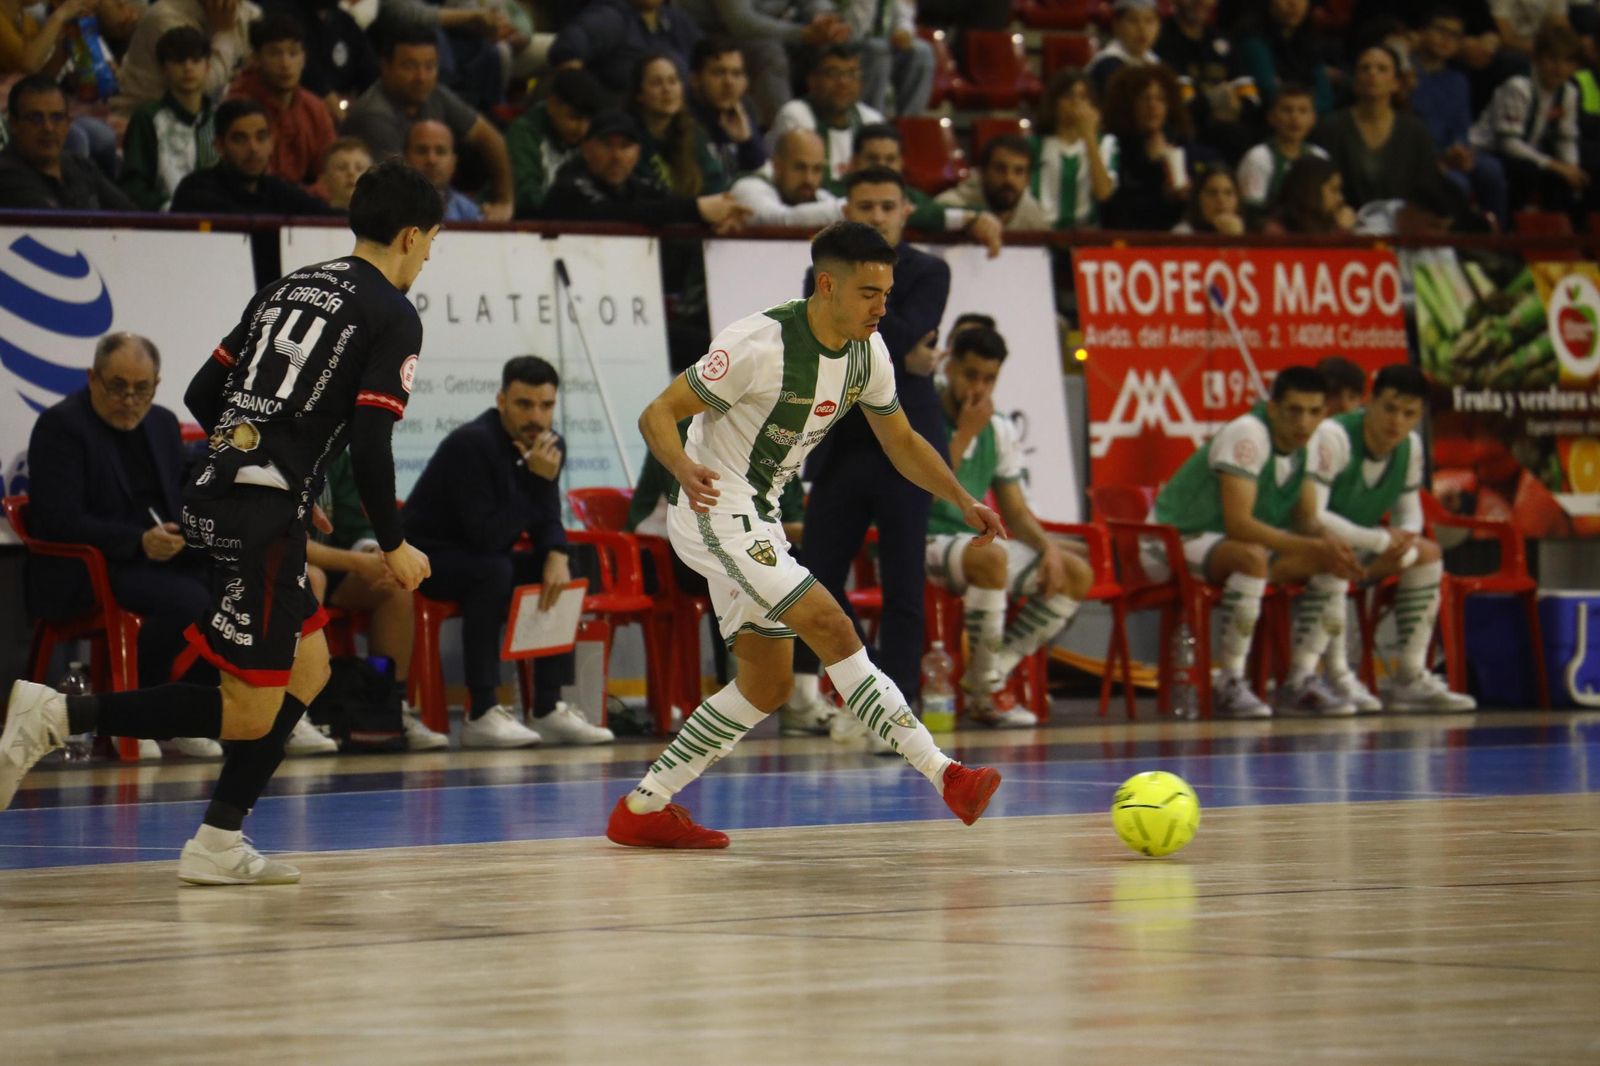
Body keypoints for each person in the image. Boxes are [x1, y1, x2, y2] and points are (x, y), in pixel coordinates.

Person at [1, 161, 444, 891]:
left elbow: (206, 391)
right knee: (245, 713)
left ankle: (218, 838)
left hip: (218, 490)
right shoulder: (394, 312)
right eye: (429, 243)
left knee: (309, 666)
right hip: (260, 515)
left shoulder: (289, 284)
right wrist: (393, 542)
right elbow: (371, 441)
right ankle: (57, 714)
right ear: (408, 234)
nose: (427, 256)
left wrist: (266, 459)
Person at [609, 219, 1005, 849]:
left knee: (766, 683)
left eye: (887, 292)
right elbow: (657, 412)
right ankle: (945, 772)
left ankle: (643, 806)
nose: (884, 306)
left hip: (757, 515)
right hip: (714, 505)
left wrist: (961, 497)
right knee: (833, 625)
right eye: (870, 292)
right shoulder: (756, 344)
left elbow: (900, 441)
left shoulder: (869, 354)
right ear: (827, 286)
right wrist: (682, 467)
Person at [797, 169, 949, 749]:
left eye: (888, 205)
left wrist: (868, 331)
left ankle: (898, 706)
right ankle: (865, 692)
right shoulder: (821, 270)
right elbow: (837, 336)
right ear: (845, 209)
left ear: (907, 210)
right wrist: (900, 349)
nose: (878, 214)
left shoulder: (930, 270)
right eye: (866, 205)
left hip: (902, 441)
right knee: (816, 579)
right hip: (838, 442)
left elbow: (895, 328)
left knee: (904, 581)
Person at [23, 332, 221, 760]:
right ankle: (138, 716)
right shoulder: (62, 427)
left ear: (157, 384)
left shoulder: (163, 424)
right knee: (186, 600)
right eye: (117, 387)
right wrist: (138, 542)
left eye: (142, 389)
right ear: (93, 378)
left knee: (230, 590)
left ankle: (185, 715)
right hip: (91, 566)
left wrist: (183, 533)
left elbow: (182, 496)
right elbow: (59, 520)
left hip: (157, 558)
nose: (130, 400)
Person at [403, 356, 616, 749]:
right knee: (494, 570)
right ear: (501, 400)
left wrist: (556, 554)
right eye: (524, 404)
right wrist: (535, 481)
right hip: (429, 558)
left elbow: (547, 518)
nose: (537, 416)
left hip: (483, 554)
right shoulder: (473, 444)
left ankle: (548, 708)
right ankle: (481, 712)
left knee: (566, 564)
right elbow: (486, 535)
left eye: (546, 406)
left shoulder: (549, 445)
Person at [1145, 366, 1364, 718]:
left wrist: (1333, 545)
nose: (1304, 423)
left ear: (1325, 413)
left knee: (1331, 562)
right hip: (1168, 543)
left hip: (1224, 546)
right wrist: (1312, 546)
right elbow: (1240, 524)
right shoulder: (1247, 433)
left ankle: (1300, 679)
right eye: (1294, 410)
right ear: (1273, 407)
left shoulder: (1306, 446)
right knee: (1252, 558)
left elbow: (1306, 520)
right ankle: (1229, 681)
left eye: (1314, 412)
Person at [925, 325, 1095, 727]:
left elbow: (1016, 511)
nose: (979, 387)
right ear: (949, 366)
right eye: (970, 375)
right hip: (918, 536)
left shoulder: (998, 427)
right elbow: (921, 495)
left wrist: (1049, 548)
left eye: (989, 378)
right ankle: (987, 693)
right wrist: (965, 434)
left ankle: (993, 669)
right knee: (993, 559)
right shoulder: (922, 408)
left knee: (1074, 572)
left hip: (968, 544)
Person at [1307, 363, 1478, 712]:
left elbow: (1408, 512)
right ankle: (1337, 677)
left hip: (1363, 548)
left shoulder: (1410, 447)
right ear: (1369, 401)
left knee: (1426, 553)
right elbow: (1314, 516)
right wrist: (1381, 542)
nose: (1396, 421)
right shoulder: (1333, 436)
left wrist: (1405, 540)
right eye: (1389, 408)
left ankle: (1410, 678)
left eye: (1408, 413)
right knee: (1335, 553)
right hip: (1309, 546)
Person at [303, 451, 449, 751]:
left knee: (394, 587)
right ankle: (295, 715)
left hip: (332, 566)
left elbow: (354, 523)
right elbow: (282, 541)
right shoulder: (269, 445)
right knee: (312, 578)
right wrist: (356, 562)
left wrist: (372, 553)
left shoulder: (336, 453)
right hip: (274, 568)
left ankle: (390, 708)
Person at [342, 25, 514, 220]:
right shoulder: (373, 114)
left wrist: (504, 202)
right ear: (385, 67)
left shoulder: (433, 93)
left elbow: (491, 139)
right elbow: (397, 190)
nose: (421, 77)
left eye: (430, 66)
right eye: (409, 66)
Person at [540, 108, 747, 228]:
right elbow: (615, 214)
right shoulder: (569, 185)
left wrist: (714, 220)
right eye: (607, 145)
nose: (617, 156)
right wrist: (696, 209)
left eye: (625, 146)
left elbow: (666, 204)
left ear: (638, 152)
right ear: (586, 149)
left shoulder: (636, 184)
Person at [1468, 23, 1588, 216]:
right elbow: (1509, 144)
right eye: (1552, 59)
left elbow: (1566, 138)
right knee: (1526, 170)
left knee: (1570, 178)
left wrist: (1571, 168)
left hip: (1528, 151)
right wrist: (1556, 166)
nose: (1559, 68)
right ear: (1537, 59)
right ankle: (1510, 232)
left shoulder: (1569, 93)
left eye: (1566, 61)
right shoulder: (1518, 87)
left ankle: (1561, 237)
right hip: (1488, 151)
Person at [831, 123, 1004, 254]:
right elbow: (924, 214)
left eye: (890, 159)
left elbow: (935, 210)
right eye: (873, 159)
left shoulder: (912, 196)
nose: (882, 167)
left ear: (901, 163)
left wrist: (977, 217)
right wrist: (965, 219)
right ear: (853, 162)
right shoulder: (832, 193)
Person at [674, 0, 848, 128]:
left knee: (860, 51)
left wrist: (827, 21)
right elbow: (741, 21)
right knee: (769, 52)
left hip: (772, 31)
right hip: (713, 35)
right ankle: (789, 138)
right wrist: (802, 34)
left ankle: (839, 128)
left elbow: (813, 3)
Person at [1411, 4, 1510, 225]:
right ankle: (1456, 244)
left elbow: (1461, 129)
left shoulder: (1458, 81)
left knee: (1492, 169)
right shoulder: (1407, 75)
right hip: (1421, 156)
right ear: (1422, 32)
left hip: (1451, 152)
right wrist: (1441, 159)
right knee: (1458, 183)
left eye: (1454, 35)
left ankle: (1497, 240)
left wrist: (1460, 151)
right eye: (1440, 30)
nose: (1446, 39)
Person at [1312, 45, 1441, 209]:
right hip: (1343, 226)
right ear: (1355, 81)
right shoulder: (1330, 127)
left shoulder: (1416, 131)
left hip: (1402, 225)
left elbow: (1427, 188)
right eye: (1365, 68)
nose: (1372, 73)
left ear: (1396, 83)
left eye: (1382, 69)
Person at [169, 97, 339, 214]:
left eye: (261, 137)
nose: (253, 148)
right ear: (219, 146)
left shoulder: (278, 190)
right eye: (240, 139)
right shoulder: (195, 191)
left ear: (272, 142)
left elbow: (324, 215)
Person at [227, 10, 336, 185]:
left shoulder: (315, 108)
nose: (285, 64)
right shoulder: (238, 103)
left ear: (304, 58)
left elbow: (330, 172)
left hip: (306, 205)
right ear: (256, 58)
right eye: (274, 53)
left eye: (293, 53)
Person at [119, 26, 217, 211]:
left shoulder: (218, 120)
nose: (188, 67)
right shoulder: (147, 118)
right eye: (179, 60)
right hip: (164, 225)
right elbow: (133, 184)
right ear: (163, 68)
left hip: (221, 225)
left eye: (195, 60)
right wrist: (168, 208)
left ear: (207, 67)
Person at [0, 75, 134, 210]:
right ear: (14, 124)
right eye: (35, 118)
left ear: (68, 124)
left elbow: (131, 216)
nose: (48, 128)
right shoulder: (7, 178)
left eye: (56, 118)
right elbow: (58, 228)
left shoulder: (80, 165)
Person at [114, 0, 260, 116]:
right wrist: (224, 35)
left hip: (221, 125)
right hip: (146, 124)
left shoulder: (250, 14)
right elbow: (199, 89)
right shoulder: (164, 18)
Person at [1157, 0, 1259, 161]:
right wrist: (1215, 101)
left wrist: (1238, 106)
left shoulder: (1222, 39)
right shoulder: (1162, 40)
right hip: (1188, 133)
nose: (1201, 2)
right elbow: (1185, 105)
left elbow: (1251, 98)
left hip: (1230, 125)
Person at [768, 44, 885, 182]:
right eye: (833, 74)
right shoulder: (796, 115)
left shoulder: (871, 120)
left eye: (852, 74)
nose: (844, 82)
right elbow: (802, 183)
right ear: (812, 81)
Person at [1099, 64, 1192, 231]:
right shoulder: (1112, 146)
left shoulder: (1178, 146)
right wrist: (1152, 167)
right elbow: (1116, 211)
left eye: (1160, 99)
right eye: (1144, 98)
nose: (1153, 106)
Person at [547, 0, 702, 97]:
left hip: (680, 126)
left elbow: (707, 56)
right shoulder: (612, 15)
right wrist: (577, 100)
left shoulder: (676, 20)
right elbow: (569, 46)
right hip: (623, 132)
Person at [507, 66, 604, 218]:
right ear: (552, 105)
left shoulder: (593, 137)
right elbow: (524, 196)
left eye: (589, 120)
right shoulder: (524, 132)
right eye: (575, 118)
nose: (583, 129)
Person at [1028, 69, 1118, 230]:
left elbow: (1103, 193)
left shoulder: (1105, 144)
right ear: (1054, 103)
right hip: (1041, 231)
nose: (1076, 102)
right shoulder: (1034, 145)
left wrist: (1089, 137)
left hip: (1086, 234)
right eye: (1069, 96)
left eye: (1083, 97)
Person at [631, 51, 727, 196]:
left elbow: (715, 184)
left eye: (673, 81)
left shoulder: (693, 133)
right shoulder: (627, 137)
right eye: (657, 83)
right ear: (639, 94)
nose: (667, 90)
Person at [1236, 81, 1328, 213]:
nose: (1295, 117)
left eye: (1303, 111)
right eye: (1287, 110)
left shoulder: (1320, 156)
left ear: (1313, 119)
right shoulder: (1258, 157)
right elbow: (1253, 212)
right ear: (1271, 117)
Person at [1234, 0, 1334, 116]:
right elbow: (1270, 93)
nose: (1294, 3)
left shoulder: (1308, 38)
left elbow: (1326, 99)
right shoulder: (1252, 36)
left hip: (1308, 122)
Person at [688, 36, 769, 180]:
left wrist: (746, 142)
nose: (729, 82)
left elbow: (762, 178)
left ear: (746, 83)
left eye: (736, 74)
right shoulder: (684, 122)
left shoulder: (743, 115)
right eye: (718, 73)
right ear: (695, 80)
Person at [936, 132, 1051, 230]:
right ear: (983, 172)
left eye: (1019, 171)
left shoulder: (1031, 213)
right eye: (1000, 169)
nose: (1009, 179)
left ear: (1027, 179)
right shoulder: (951, 204)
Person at [837, 0, 932, 116]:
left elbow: (904, 16)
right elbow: (854, 31)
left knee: (922, 52)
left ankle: (909, 122)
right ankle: (873, 120)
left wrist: (904, 31)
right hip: (849, 45)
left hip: (886, 47)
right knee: (878, 49)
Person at [729, 128, 843, 226]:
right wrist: (846, 210)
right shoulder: (748, 188)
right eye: (800, 167)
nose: (809, 179)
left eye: (817, 169)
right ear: (777, 166)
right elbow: (780, 220)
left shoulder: (820, 196)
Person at [404, 118, 479, 220]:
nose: (431, 160)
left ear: (453, 162)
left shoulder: (469, 213)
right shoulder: (387, 208)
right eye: (422, 151)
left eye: (440, 151)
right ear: (405, 158)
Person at [1088, 0, 1164, 99]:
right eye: (1133, 20)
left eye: (1149, 21)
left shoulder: (1156, 63)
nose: (1142, 28)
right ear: (1116, 25)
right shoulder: (1107, 65)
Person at [1268, 153, 1356, 233]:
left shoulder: (1329, 223)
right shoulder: (1276, 231)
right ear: (1311, 189)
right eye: (1334, 190)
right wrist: (1342, 231)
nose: (1340, 198)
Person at [1173, 169, 1245, 233]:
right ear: (1198, 199)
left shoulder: (1250, 231)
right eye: (1212, 193)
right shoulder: (1183, 233)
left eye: (1228, 193)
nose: (1221, 200)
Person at [312, 137, 372, 210]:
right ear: (325, 178)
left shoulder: (381, 219)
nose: (351, 173)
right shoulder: (313, 217)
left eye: (359, 168)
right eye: (342, 167)